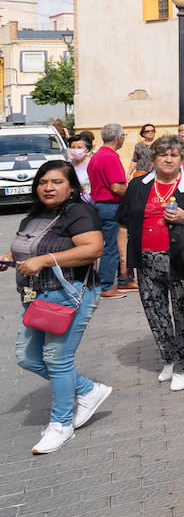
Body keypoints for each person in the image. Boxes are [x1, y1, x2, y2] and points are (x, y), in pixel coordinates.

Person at [7, 161, 110, 454]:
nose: (48, 188)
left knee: (57, 358)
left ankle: (61, 425)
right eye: (43, 182)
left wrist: (45, 260)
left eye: (56, 182)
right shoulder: (36, 215)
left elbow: (93, 249)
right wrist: (9, 257)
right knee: (27, 357)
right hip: (37, 296)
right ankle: (89, 390)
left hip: (70, 293)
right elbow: (32, 247)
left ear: (72, 187)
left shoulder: (79, 212)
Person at [115, 135, 184, 391]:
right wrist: (124, 259)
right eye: (163, 154)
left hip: (180, 261)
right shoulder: (138, 185)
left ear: (182, 158)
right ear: (154, 158)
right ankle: (169, 359)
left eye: (174, 155)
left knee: (183, 314)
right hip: (147, 260)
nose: (169, 159)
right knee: (156, 314)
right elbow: (124, 225)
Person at [88, 124, 130, 297]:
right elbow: (116, 187)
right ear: (119, 138)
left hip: (100, 204)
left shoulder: (97, 156)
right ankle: (106, 286)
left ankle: (123, 280)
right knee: (113, 246)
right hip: (111, 205)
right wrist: (135, 193)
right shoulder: (110, 157)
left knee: (117, 244)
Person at [67, 132, 94, 200]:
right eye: (73, 147)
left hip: (90, 203)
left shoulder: (93, 164)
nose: (76, 150)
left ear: (87, 149)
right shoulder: (67, 164)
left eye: (79, 147)